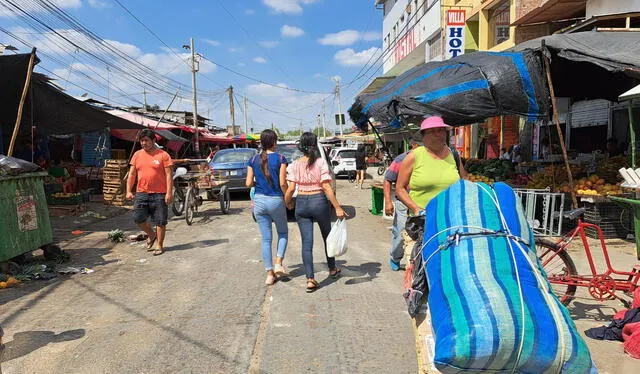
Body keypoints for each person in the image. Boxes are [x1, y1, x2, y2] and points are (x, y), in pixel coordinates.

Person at [285, 132, 347, 293]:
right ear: (314, 145)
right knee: (327, 237)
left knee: (307, 243)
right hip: (319, 202)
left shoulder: (294, 164)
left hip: (302, 204)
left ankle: (310, 279)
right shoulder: (320, 163)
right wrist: (338, 207)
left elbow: (291, 189)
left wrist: (287, 203)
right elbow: (326, 187)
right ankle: (332, 269)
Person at [396, 116, 467, 217]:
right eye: (432, 131)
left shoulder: (454, 155)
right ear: (423, 136)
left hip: (451, 217)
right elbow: (399, 189)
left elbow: (464, 181)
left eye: (440, 130)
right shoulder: (413, 156)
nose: (437, 134)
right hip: (423, 219)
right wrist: (415, 209)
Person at [245, 130, 289, 286]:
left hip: (259, 201)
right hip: (276, 200)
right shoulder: (281, 159)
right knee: (283, 232)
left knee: (266, 239)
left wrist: (259, 182)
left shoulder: (253, 160)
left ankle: (270, 274)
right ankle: (278, 262)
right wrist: (288, 199)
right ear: (274, 142)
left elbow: (248, 183)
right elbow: (283, 183)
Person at [126, 129, 173, 256]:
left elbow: (169, 175)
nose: (143, 143)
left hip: (160, 193)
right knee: (138, 218)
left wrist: (169, 193)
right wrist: (128, 190)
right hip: (141, 192)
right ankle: (151, 234)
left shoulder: (163, 155)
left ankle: (159, 245)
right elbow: (132, 174)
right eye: (141, 141)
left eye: (146, 140)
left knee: (160, 221)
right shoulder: (137, 155)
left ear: (153, 140)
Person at [384, 140, 421, 271]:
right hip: (404, 203)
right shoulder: (402, 159)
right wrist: (388, 202)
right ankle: (395, 256)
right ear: (413, 145)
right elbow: (388, 180)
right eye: (420, 145)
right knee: (401, 233)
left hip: (423, 203)